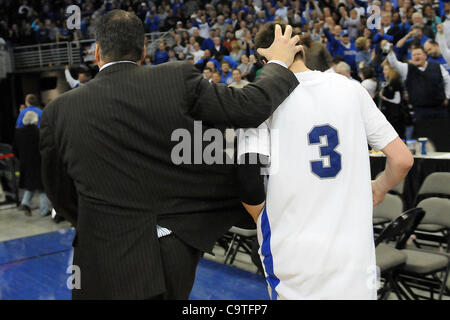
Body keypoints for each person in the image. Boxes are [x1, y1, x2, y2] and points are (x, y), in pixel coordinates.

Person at [40, 10, 301, 300]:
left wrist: (103, 221)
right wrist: (278, 62)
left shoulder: (58, 111)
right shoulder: (176, 77)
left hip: (99, 255)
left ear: (97, 52)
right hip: (171, 249)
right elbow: (248, 107)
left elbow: (59, 193)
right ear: (142, 50)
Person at [236, 22, 413, 300]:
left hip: (295, 255)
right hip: (353, 260)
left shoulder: (260, 98)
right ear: (302, 51)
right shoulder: (350, 88)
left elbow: (246, 178)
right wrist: (379, 186)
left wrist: (261, 217)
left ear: (262, 60)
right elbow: (402, 159)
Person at [387, 45, 450, 150]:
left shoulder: (437, 66)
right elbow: (394, 63)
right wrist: (389, 51)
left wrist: (447, 97)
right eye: (414, 55)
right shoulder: (407, 69)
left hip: (440, 110)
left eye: (419, 54)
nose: (416, 56)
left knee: (444, 140)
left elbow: (448, 80)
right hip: (420, 113)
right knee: (424, 143)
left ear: (425, 56)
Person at [14, 111, 51, 217]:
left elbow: (14, 149)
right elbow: (45, 147)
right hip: (38, 162)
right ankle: (44, 210)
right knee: (42, 187)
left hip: (25, 163)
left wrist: (21, 158)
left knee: (30, 185)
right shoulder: (39, 132)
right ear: (35, 119)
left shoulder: (18, 133)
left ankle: (25, 203)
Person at [379, 61, 409, 139]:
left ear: (391, 70)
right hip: (389, 115)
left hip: (395, 116)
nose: (383, 72)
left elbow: (397, 100)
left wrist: (384, 98)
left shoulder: (395, 83)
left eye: (386, 69)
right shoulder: (389, 83)